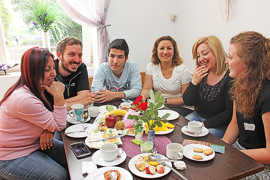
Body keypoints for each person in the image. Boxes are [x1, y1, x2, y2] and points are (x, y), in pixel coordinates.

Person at [0, 47, 69, 180]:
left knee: (72, 155)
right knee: (59, 176)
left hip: (33, 143)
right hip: (10, 155)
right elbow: (59, 124)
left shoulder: (40, 87)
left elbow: (52, 119)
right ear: (33, 72)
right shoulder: (24, 98)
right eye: (47, 70)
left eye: (53, 68)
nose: (54, 73)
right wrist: (59, 96)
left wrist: (47, 129)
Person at [223, 31, 270, 179]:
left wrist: (231, 154)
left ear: (248, 62)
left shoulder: (267, 95)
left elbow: (269, 154)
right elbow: (235, 124)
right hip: (240, 150)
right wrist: (223, 146)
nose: (226, 61)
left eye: (230, 57)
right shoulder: (240, 85)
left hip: (262, 165)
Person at [183, 35, 233, 138]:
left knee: (202, 140)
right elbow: (187, 101)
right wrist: (194, 82)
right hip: (198, 117)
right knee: (181, 128)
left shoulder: (230, 76)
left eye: (204, 53)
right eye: (198, 56)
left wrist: (204, 125)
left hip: (218, 125)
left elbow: (229, 113)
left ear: (217, 52)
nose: (201, 59)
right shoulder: (202, 73)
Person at [140, 35, 193, 116]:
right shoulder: (151, 66)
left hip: (181, 108)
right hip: (159, 107)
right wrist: (142, 100)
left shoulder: (183, 70)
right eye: (162, 48)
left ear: (174, 51)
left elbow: (185, 99)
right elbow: (147, 89)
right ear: (156, 51)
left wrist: (163, 101)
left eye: (169, 48)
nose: (165, 52)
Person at [92, 39, 142, 103]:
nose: (115, 61)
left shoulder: (133, 67)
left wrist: (114, 95)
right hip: (106, 106)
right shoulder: (102, 68)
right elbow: (95, 91)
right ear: (108, 56)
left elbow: (137, 90)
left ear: (126, 58)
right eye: (112, 56)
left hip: (127, 106)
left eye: (120, 57)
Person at [54, 37, 91, 110]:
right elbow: (48, 106)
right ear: (59, 55)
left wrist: (59, 104)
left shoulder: (81, 67)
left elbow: (85, 97)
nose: (77, 60)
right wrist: (80, 102)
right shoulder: (49, 70)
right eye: (71, 54)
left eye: (80, 55)